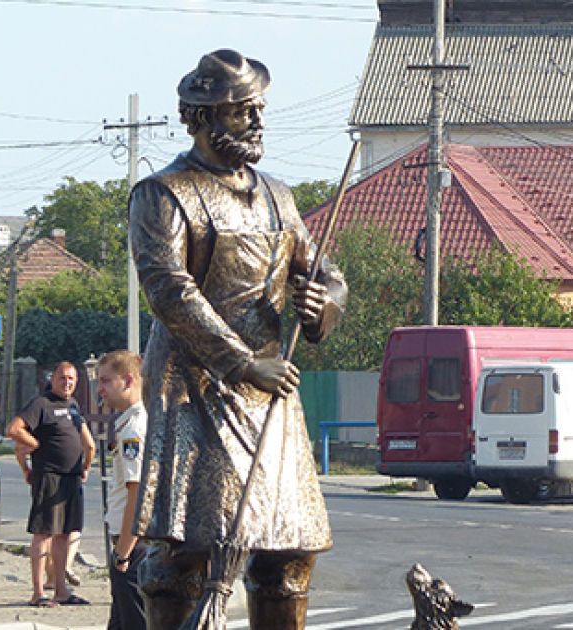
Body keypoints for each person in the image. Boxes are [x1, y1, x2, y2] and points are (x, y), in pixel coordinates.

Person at [128, 49, 347, 629]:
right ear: (200, 118)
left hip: (273, 391)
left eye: (258, 109)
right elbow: (170, 290)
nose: (256, 122)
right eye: (241, 111)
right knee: (187, 549)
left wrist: (322, 303)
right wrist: (243, 363)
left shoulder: (278, 195)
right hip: (196, 389)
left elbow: (325, 272)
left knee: (287, 554)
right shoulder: (164, 193)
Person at [6, 362, 95, 607]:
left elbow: (89, 443)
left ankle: (61, 590)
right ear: (52, 378)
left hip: (72, 477)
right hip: (49, 477)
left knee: (65, 534)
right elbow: (13, 430)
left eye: (71, 379)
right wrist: (32, 448)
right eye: (62, 378)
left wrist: (86, 466)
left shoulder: (74, 406)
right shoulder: (41, 404)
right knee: (43, 533)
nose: (67, 383)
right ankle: (38, 593)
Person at [98, 350, 148, 630]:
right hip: (131, 541)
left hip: (134, 545)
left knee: (134, 623)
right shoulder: (128, 421)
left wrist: (123, 552)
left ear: (128, 380)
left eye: (106, 381)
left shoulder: (133, 428)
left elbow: (137, 492)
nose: (100, 389)